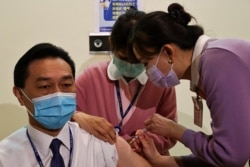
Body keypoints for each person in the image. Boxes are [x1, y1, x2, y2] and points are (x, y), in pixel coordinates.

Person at [130, 2, 250, 167]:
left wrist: (175, 130)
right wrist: (160, 161)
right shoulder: (209, 64)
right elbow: (220, 156)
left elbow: (230, 157)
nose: (146, 73)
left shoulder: (217, 63)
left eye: (145, 63)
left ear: (168, 52)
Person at [0, 43, 152, 167]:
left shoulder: (100, 141)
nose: (58, 95)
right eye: (45, 87)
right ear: (20, 95)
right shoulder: (5, 157)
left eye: (66, 84)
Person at [73, 7, 177, 155]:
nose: (130, 65)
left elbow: (170, 132)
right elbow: (67, 118)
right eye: (123, 57)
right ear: (111, 43)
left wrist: (142, 143)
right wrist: (79, 117)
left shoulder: (161, 82)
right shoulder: (89, 78)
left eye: (138, 60)